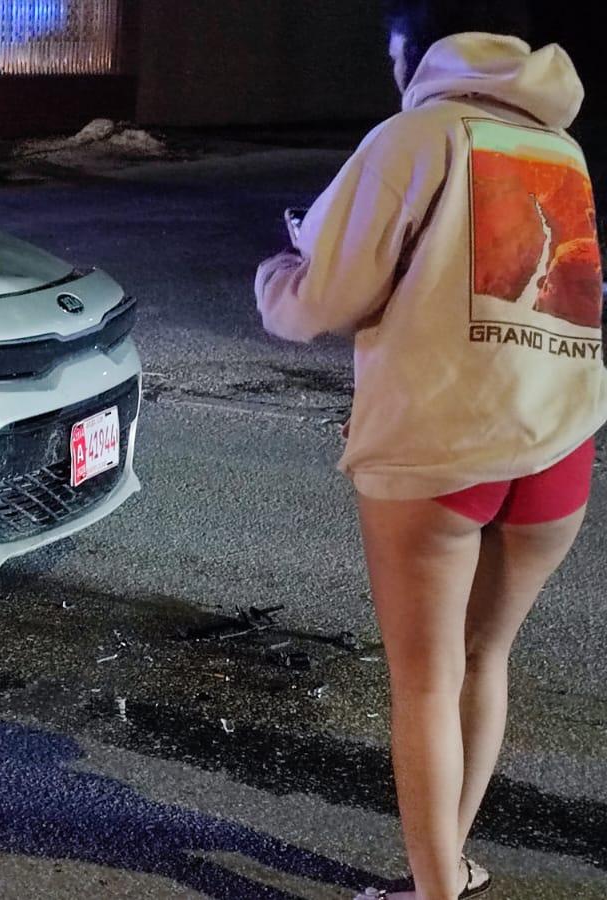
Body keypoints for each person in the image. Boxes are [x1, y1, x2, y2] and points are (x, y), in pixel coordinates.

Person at [253, 1, 605, 897]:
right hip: (559, 448)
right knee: (485, 661)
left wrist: (276, 277)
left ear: (417, 51)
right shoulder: (560, 149)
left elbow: (324, 298)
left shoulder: (416, 138)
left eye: (392, 56)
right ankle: (450, 869)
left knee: (423, 683)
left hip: (441, 451)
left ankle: (435, 890)